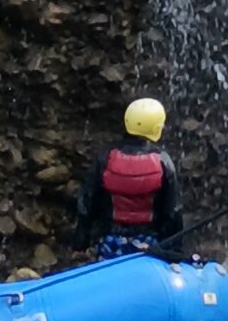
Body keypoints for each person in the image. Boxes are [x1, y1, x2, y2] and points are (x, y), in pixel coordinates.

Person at [74, 97, 184, 256]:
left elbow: (87, 204)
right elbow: (173, 212)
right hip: (150, 243)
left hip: (110, 241)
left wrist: (80, 244)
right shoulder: (163, 161)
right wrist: (175, 250)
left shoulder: (105, 157)